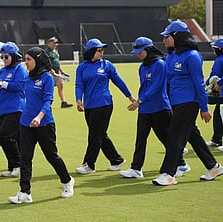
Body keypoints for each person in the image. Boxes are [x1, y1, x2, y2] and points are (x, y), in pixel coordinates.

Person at [153, 20, 223, 186]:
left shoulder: (192, 56)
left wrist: (204, 108)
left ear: (177, 36)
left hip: (189, 102)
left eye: (167, 37)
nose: (164, 41)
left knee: (174, 137)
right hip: (176, 103)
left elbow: (199, 83)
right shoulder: (171, 56)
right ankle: (213, 166)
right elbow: (168, 82)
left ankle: (169, 174)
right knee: (193, 136)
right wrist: (168, 104)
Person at [8, 47, 74, 204]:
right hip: (26, 123)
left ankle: (67, 181)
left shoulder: (47, 78)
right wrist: (0, 85)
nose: (26, 62)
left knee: (51, 156)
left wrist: (39, 117)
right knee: (25, 158)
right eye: (25, 59)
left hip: (44, 124)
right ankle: (25, 192)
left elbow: (48, 101)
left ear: (37, 61)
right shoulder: (28, 78)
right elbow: (16, 86)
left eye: (29, 59)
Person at [120, 37, 190, 179]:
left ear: (148, 50)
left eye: (140, 51)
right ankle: (136, 168)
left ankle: (181, 164)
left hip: (159, 108)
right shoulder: (142, 67)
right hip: (145, 109)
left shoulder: (160, 64)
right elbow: (145, 86)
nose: (138, 54)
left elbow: (157, 86)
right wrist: (141, 101)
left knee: (166, 138)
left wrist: (140, 100)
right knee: (140, 139)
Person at [75, 38, 134, 174]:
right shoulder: (82, 67)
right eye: (99, 50)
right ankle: (116, 160)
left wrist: (129, 96)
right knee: (100, 134)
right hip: (89, 105)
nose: (102, 53)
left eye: (102, 50)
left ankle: (89, 164)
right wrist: (78, 100)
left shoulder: (107, 65)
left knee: (95, 135)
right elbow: (79, 84)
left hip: (104, 104)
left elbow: (118, 81)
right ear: (91, 52)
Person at [0, 42, 26, 177]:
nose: (4, 60)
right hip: (3, 109)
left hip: (16, 108)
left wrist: (2, 84)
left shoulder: (19, 69)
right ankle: (12, 166)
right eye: (2, 57)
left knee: (6, 136)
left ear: (14, 57)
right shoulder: (3, 70)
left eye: (6, 57)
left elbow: (20, 85)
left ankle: (18, 164)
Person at [205, 38, 223, 151]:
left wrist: (206, 84)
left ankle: (216, 140)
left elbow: (214, 75)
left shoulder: (219, 60)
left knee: (219, 116)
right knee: (218, 115)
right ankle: (216, 139)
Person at [45, 37, 73, 108]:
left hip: (57, 73)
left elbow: (57, 62)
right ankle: (47, 103)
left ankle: (63, 102)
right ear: (49, 43)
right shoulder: (46, 52)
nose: (55, 44)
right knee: (49, 88)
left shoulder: (56, 51)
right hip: (50, 73)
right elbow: (46, 62)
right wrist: (50, 70)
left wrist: (61, 71)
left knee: (60, 86)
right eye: (54, 43)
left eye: (56, 43)